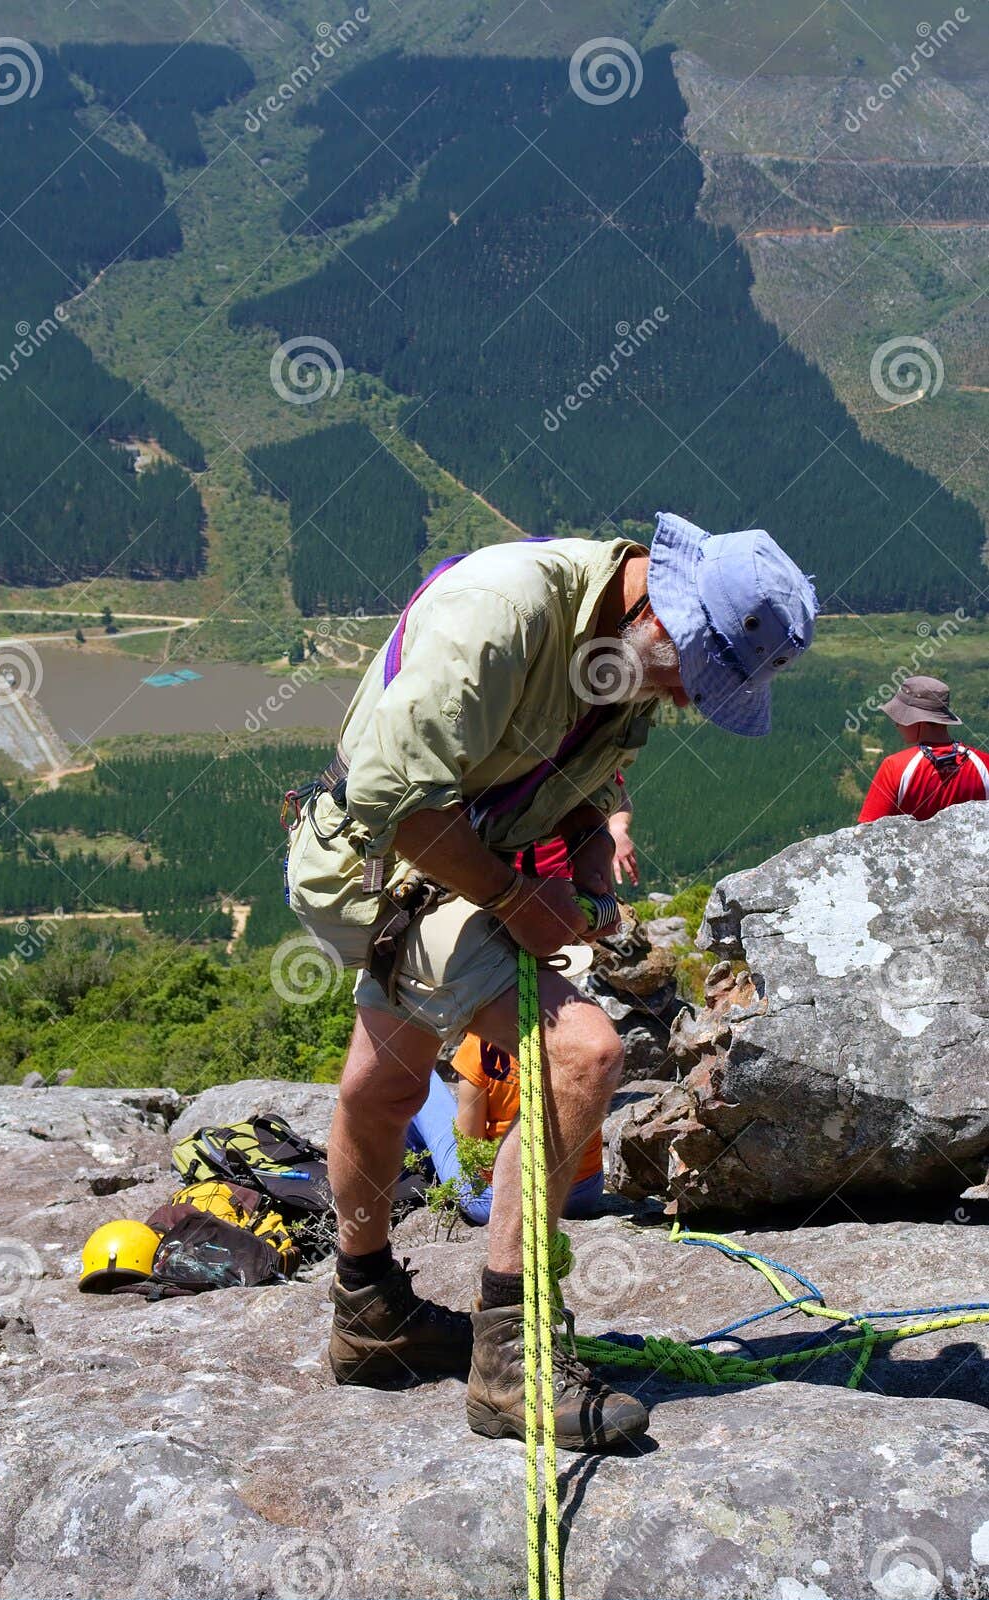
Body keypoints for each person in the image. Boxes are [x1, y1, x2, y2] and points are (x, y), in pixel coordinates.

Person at [285, 516, 818, 1452]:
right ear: (664, 611)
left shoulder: (626, 635)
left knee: (391, 1080)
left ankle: (367, 1312)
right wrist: (515, 902)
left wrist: (588, 867)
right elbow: (391, 796)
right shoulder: (501, 612)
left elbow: (572, 773)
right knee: (585, 1051)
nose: (691, 701)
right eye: (696, 676)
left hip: (445, 860)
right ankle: (510, 1362)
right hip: (372, 864)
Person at [406, 1028, 605, 1226]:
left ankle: (409, 1175)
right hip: (581, 1193)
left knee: (415, 1067)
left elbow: (468, 1146)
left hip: (495, 1203)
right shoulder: (584, 1027)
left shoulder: (481, 1043)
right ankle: (418, 1168)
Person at [857, 675, 988, 823]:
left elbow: (868, 833)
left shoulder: (894, 767)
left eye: (900, 718)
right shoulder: (985, 764)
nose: (897, 724)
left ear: (920, 721)